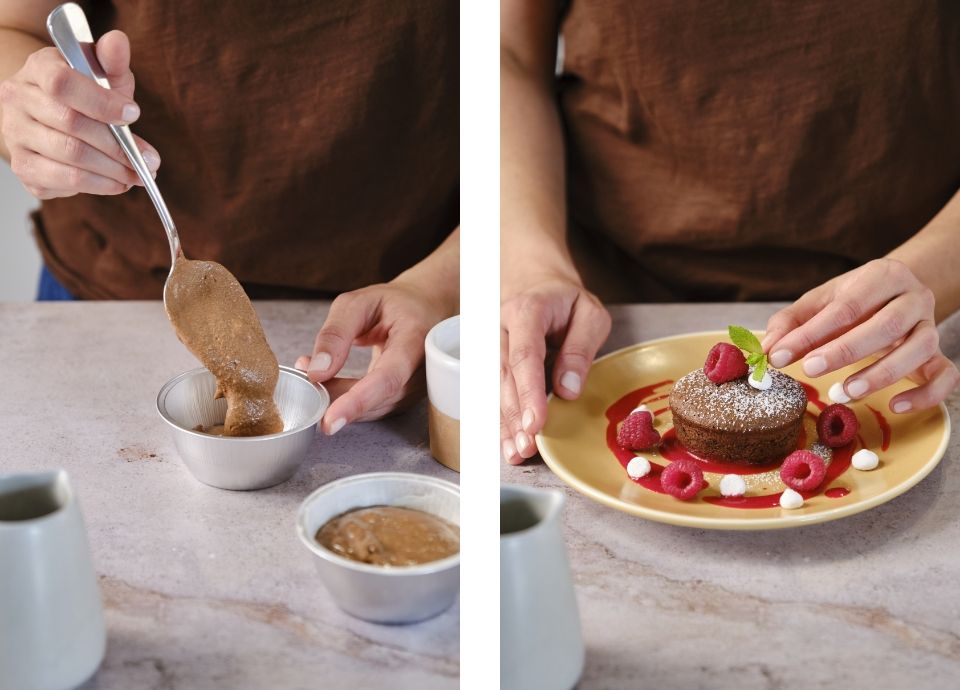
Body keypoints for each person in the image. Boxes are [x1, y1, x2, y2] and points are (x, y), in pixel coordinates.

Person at [500, 1, 960, 464]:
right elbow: (507, 52)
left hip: (895, 322)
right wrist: (536, 267)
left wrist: (925, 274)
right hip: (606, 313)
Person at [0, 1, 459, 435]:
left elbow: (512, 55)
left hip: (410, 309)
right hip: (104, 296)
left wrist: (443, 285)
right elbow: (10, 28)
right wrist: (37, 120)